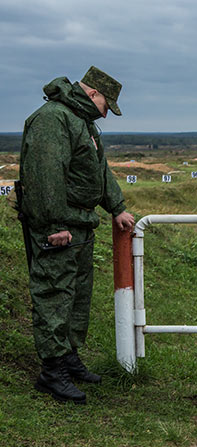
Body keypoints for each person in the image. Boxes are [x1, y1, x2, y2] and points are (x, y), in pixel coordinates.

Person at [18, 66, 135, 404]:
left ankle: (69, 358)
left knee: (77, 296)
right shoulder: (53, 119)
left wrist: (116, 207)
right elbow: (45, 175)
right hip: (60, 227)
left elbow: (99, 170)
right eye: (106, 106)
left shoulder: (82, 122)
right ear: (93, 94)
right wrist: (54, 225)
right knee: (55, 294)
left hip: (81, 225)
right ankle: (52, 372)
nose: (106, 114)